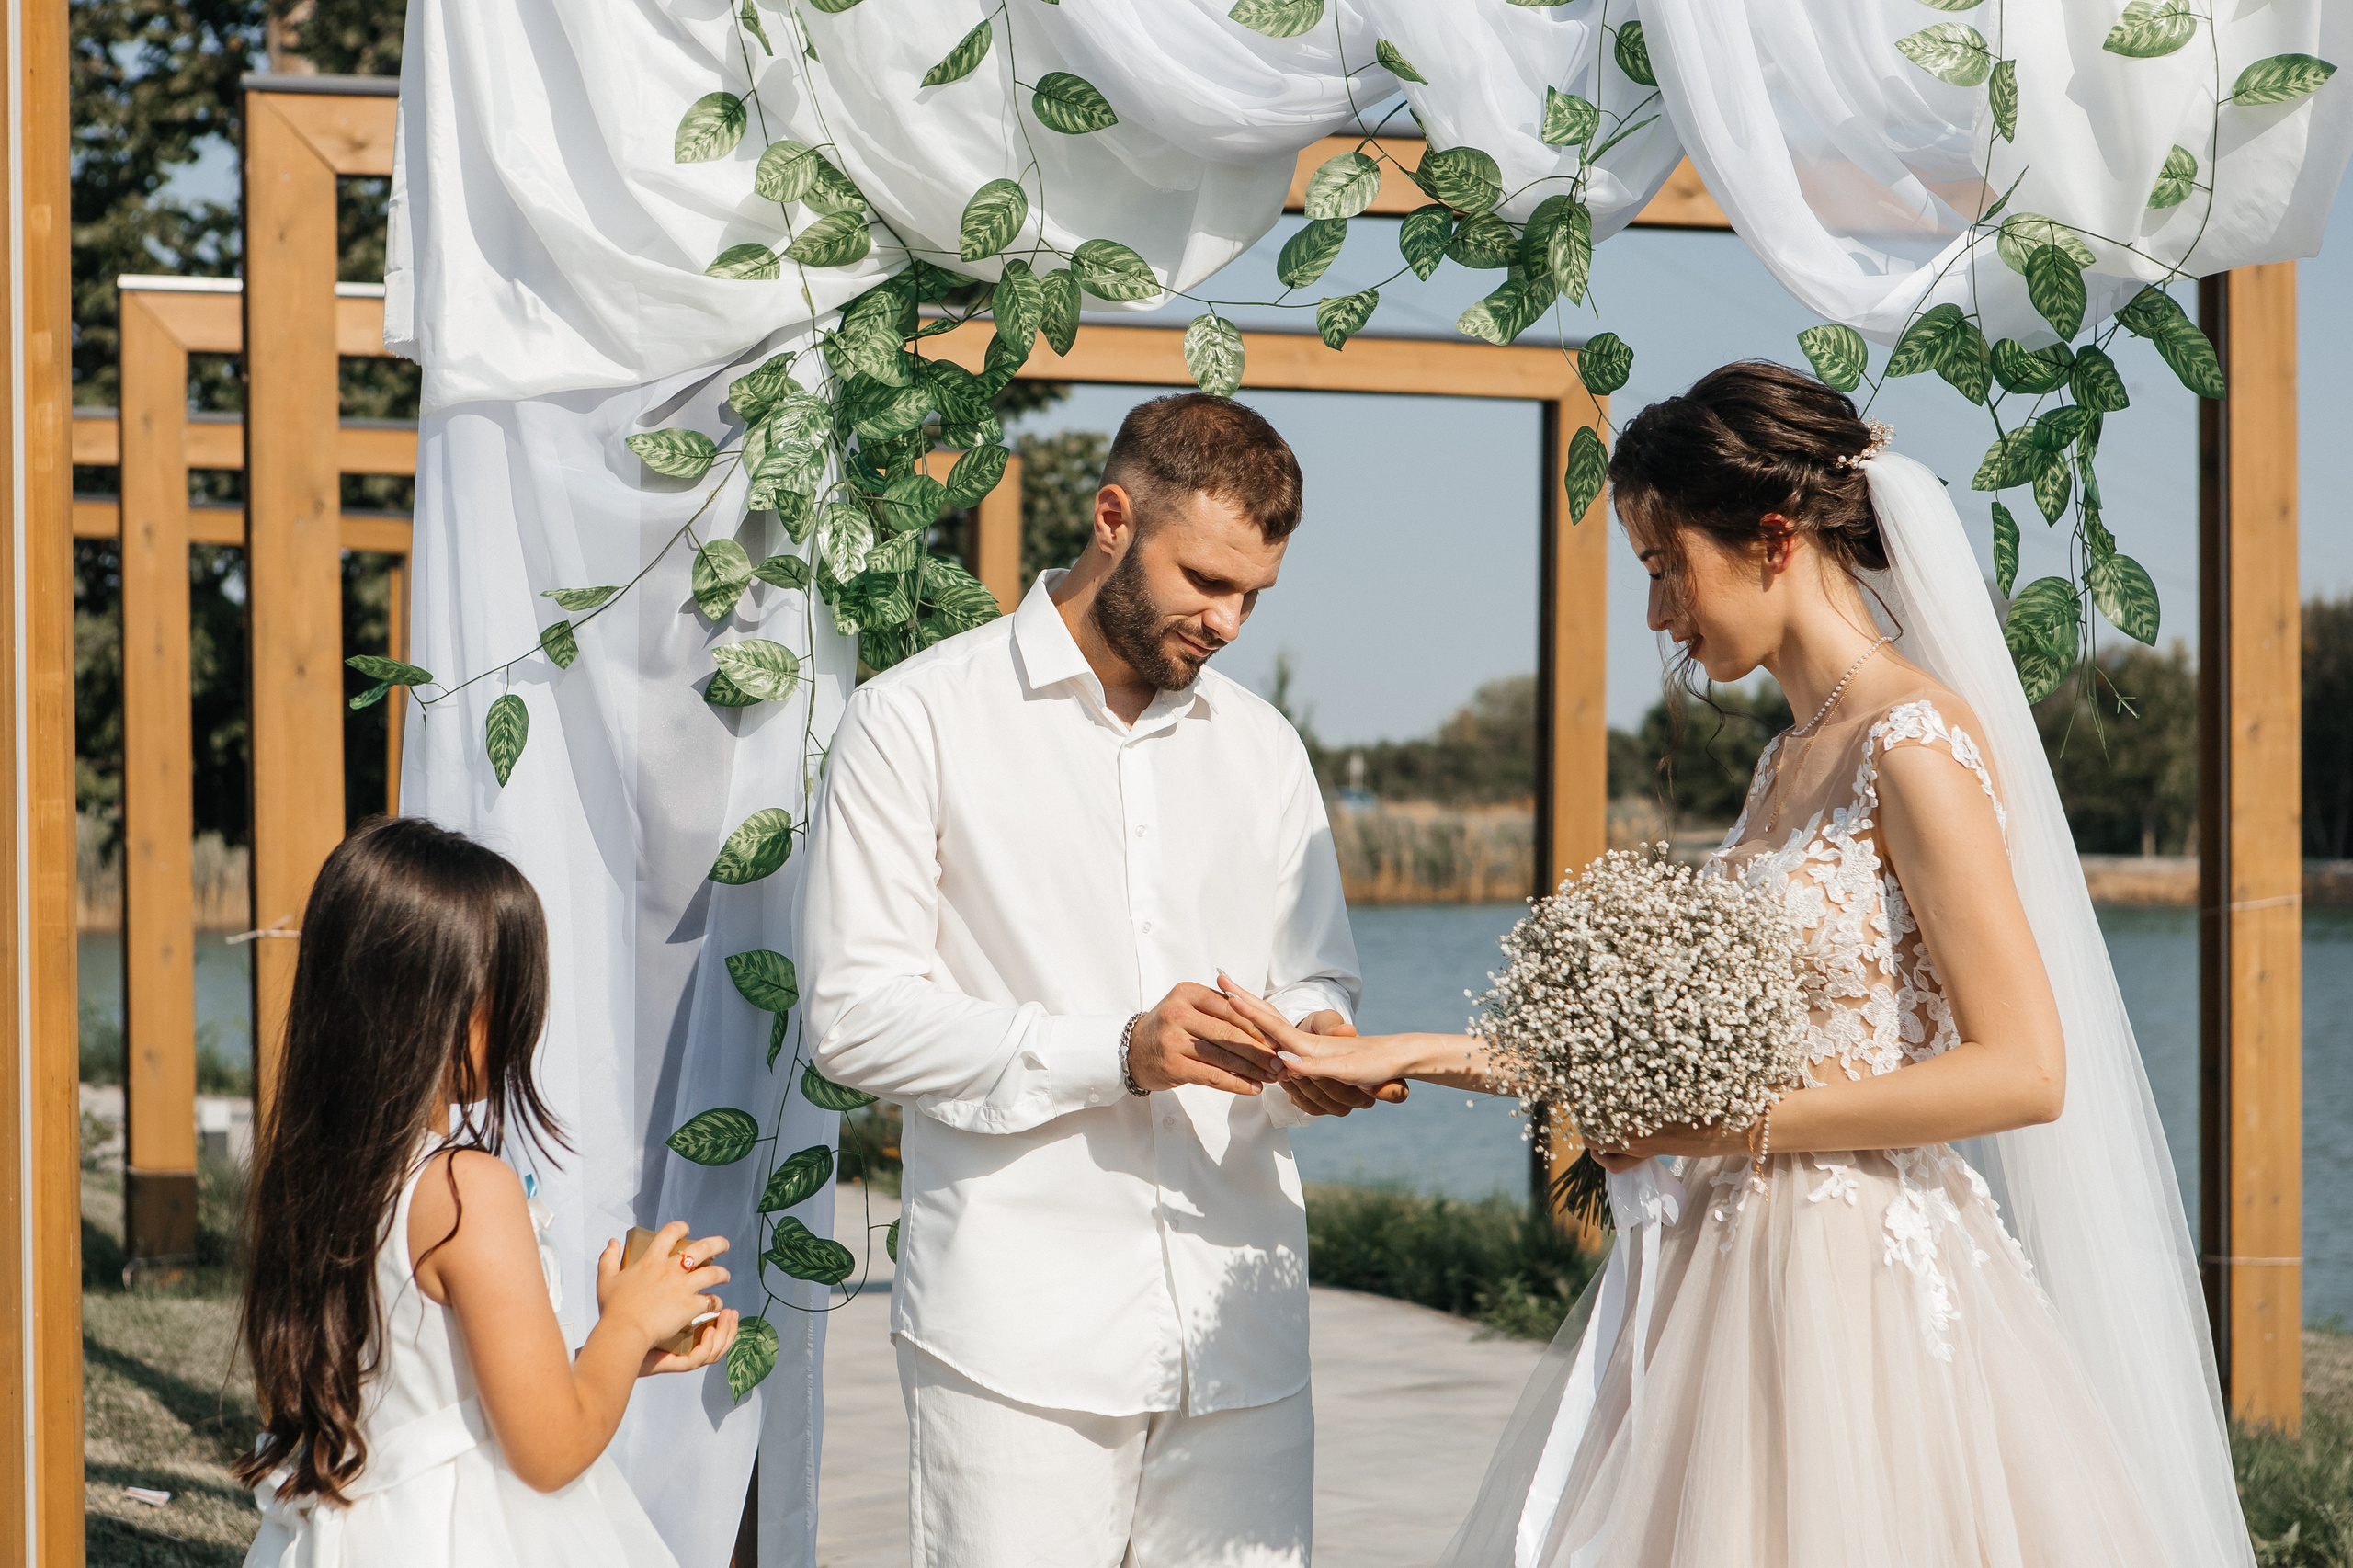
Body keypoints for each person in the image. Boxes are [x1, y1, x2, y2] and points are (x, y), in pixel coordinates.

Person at [1223, 363, 2251, 1567]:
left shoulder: (1912, 745)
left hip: (1858, 1290)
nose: (1659, 614)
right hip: (1716, 1278)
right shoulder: (1783, 765)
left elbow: (2024, 1072)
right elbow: (1661, 1064)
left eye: (1668, 567)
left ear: (1771, 538)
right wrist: (1406, 1048)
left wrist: (1726, 1130)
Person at [800, 392, 1397, 1568]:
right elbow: (851, 1018)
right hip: (1017, 1340)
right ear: (1112, 518)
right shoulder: (911, 721)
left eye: (1254, 595)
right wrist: (1119, 1049)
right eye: (1206, 580)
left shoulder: (1265, 747)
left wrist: (1319, 1043)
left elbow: (1317, 969)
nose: (1228, 620)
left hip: (1243, 1325)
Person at [236, 816, 740, 1568]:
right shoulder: (465, 1187)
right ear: (445, 1002)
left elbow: (433, 1393)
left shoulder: (321, 1180)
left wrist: (606, 1352)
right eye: (508, 988)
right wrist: (630, 1324)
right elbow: (548, 1450)